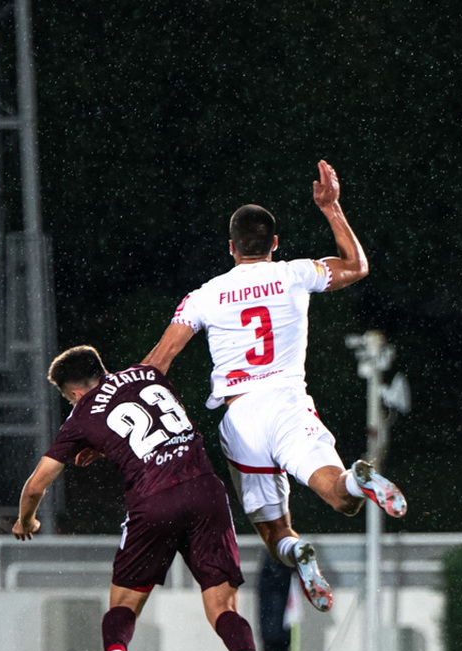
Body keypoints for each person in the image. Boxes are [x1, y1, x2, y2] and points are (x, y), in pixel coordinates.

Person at [142, 159, 407, 614]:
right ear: (275, 244)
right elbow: (357, 265)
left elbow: (156, 364)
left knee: (272, 532)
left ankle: (297, 551)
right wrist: (332, 207)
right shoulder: (294, 273)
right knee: (341, 497)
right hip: (287, 403)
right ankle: (358, 477)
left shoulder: (203, 296)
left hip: (241, 419)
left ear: (231, 248)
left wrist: (110, 417)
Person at [12, 345, 268, 651]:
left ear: (74, 393)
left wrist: (26, 519)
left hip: (154, 503)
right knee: (223, 606)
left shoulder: (81, 415)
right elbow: (143, 417)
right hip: (204, 491)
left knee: (125, 604)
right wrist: (105, 446)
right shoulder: (148, 374)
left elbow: (36, 484)